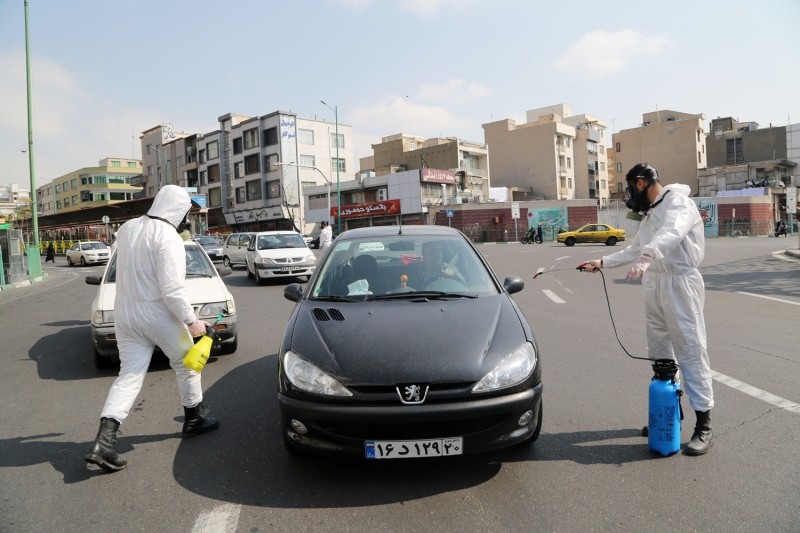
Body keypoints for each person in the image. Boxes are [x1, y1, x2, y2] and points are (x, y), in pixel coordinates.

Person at [581, 163, 714, 456]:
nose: (630, 195)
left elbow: (673, 232)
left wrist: (648, 256)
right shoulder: (652, 212)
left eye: (630, 188)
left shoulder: (678, 203)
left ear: (641, 183)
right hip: (655, 283)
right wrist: (602, 262)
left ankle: (704, 424)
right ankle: (668, 414)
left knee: (691, 350)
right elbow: (634, 248)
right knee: (660, 352)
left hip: (680, 284)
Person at [84, 185, 218, 472]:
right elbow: (171, 289)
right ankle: (194, 420)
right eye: (185, 212)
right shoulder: (169, 237)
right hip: (157, 312)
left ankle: (104, 441)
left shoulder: (129, 227)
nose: (186, 219)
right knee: (186, 365)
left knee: (129, 376)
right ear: (177, 210)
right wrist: (192, 322)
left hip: (126, 313)